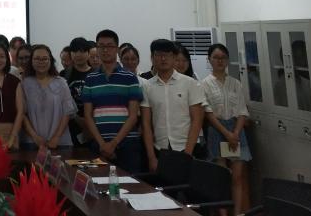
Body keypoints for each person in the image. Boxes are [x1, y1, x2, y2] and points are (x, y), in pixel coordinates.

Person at [82, 29, 144, 173]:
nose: (105, 50)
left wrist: (113, 143)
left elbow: (133, 116)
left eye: (109, 46)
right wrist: (103, 144)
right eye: (101, 46)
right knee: (99, 184)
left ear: (116, 48)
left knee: (131, 184)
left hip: (127, 144)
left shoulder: (130, 78)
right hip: (99, 144)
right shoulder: (90, 79)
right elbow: (88, 116)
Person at [141, 38, 206, 172]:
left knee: (189, 185)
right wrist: (151, 157)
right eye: (158, 55)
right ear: (152, 58)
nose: (163, 58)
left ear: (174, 57)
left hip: (187, 147)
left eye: (167, 55)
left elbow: (197, 120)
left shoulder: (190, 83)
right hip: (160, 148)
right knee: (163, 185)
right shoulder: (147, 86)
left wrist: (187, 154)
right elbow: (146, 124)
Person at [201, 44, 251, 213]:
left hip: (236, 130)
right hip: (217, 129)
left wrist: (235, 133)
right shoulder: (204, 84)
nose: (220, 61)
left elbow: (242, 111)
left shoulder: (236, 83)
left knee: (237, 177)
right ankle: (223, 214)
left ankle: (237, 213)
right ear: (209, 60)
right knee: (221, 177)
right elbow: (208, 113)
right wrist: (226, 133)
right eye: (216, 57)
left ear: (228, 60)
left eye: (223, 57)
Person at [21, 45, 76, 150]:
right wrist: (35, 137)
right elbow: (22, 114)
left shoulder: (61, 83)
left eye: (45, 59)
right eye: (37, 58)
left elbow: (67, 113)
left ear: (51, 61)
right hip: (32, 142)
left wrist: (56, 137)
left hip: (59, 142)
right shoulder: (24, 84)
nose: (41, 62)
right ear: (31, 61)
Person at [64, 37, 94, 146]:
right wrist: (77, 119)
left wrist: (88, 122)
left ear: (88, 53)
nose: (78, 55)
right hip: (70, 125)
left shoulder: (96, 74)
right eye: (75, 51)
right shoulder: (64, 74)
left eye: (82, 51)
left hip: (93, 125)